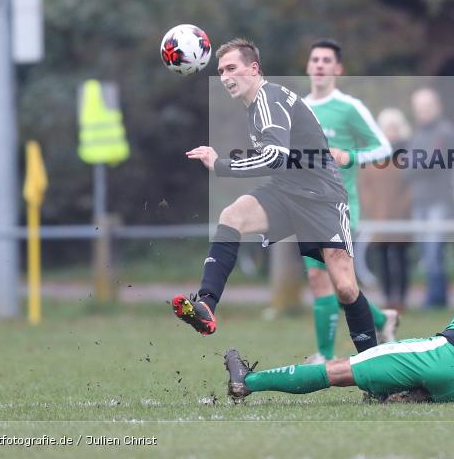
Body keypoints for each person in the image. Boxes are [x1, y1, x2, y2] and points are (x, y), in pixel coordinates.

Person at [174, 38, 377, 355]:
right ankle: (206, 304)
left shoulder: (269, 99)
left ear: (253, 69)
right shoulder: (255, 104)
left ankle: (374, 365)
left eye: (232, 68)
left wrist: (221, 164)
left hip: (322, 196)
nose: (226, 77)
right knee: (233, 216)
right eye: (221, 71)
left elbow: (275, 157)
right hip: (285, 191)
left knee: (346, 288)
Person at [224, 290, 454, 403]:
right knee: (410, 377)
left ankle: (249, 381)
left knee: (343, 369)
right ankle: (404, 392)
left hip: (445, 356)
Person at [301, 38, 398, 363]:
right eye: (315, 59)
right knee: (327, 281)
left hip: (341, 206)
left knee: (330, 278)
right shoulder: (296, 109)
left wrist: (350, 156)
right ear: (308, 66)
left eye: (326, 60)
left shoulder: (349, 107)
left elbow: (383, 148)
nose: (319, 65)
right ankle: (383, 320)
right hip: (307, 207)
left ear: (337, 69)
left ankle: (325, 356)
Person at [408, 88, 454, 308]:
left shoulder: (446, 131)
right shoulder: (417, 135)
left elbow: (436, 161)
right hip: (419, 201)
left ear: (437, 106)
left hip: (440, 200)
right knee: (425, 251)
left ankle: (436, 299)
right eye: (419, 108)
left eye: (427, 106)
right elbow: (406, 169)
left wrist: (419, 164)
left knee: (434, 249)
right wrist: (421, 163)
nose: (423, 111)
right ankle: (435, 296)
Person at [359, 108, 413, 311]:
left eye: (394, 128)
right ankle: (388, 297)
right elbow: (364, 185)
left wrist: (402, 208)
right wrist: (372, 209)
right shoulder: (372, 154)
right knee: (382, 257)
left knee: (400, 257)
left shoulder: (407, 154)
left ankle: (401, 299)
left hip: (401, 216)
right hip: (378, 216)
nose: (391, 132)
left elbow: (411, 186)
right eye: (387, 128)